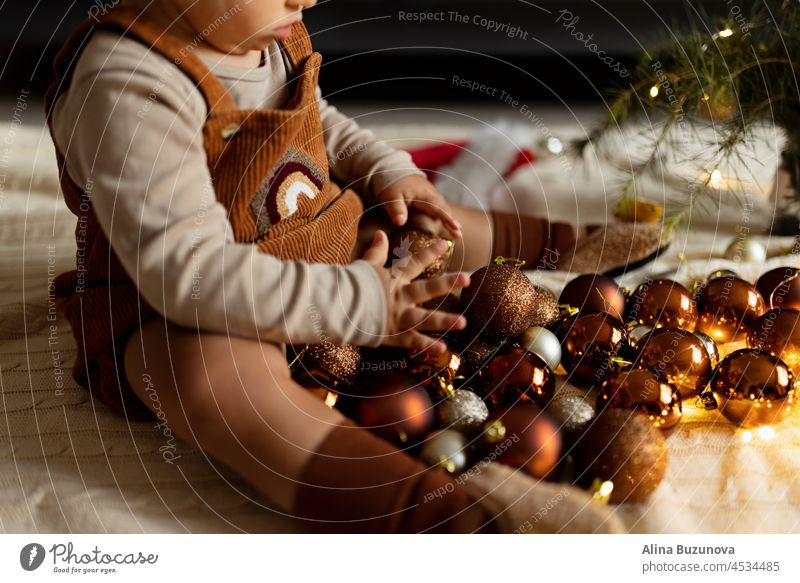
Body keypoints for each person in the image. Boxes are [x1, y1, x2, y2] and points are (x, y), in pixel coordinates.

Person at [45, 0, 657, 533]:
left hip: (318, 235)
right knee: (209, 382)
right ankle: (431, 511)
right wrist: (362, 303)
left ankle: (556, 243)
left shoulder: (267, 31)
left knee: (428, 225)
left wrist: (391, 173)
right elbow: (187, 276)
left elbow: (320, 124)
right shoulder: (128, 84)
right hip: (189, 306)